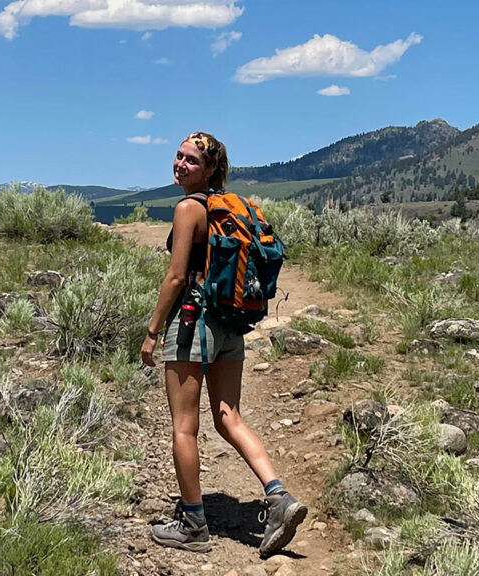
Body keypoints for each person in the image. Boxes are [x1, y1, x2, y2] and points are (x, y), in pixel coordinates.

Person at [140, 131, 307, 556]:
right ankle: (278, 498)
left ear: (211, 168)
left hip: (193, 323)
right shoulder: (233, 208)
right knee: (229, 417)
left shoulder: (189, 209)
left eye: (191, 160)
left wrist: (153, 330)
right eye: (178, 156)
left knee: (184, 427)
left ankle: (193, 524)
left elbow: (177, 277)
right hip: (230, 324)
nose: (180, 165)